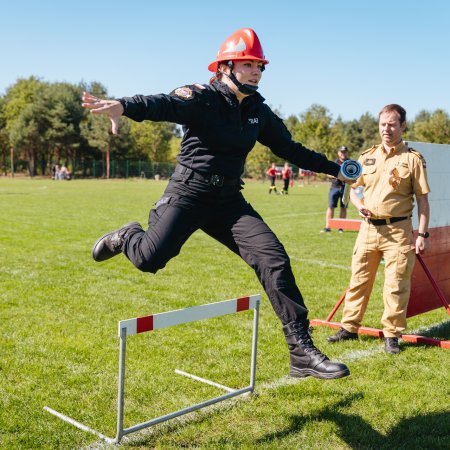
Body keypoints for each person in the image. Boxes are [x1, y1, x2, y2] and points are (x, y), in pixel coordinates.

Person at [82, 28, 355, 379]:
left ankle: (301, 351)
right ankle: (127, 236)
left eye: (260, 66)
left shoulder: (257, 110)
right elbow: (163, 104)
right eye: (250, 64)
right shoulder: (202, 97)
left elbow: (291, 149)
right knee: (149, 259)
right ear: (226, 66)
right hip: (188, 194)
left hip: (228, 200)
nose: (257, 71)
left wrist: (337, 171)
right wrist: (124, 105)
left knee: (273, 259)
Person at [327, 104, 430, 354]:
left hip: (398, 232)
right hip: (368, 230)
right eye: (383, 124)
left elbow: (423, 201)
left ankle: (392, 335)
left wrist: (422, 234)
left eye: (392, 124)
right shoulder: (367, 156)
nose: (387, 129)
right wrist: (360, 204)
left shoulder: (412, 159)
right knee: (358, 280)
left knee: (395, 284)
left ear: (403, 126)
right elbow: (355, 189)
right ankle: (349, 328)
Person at [320, 146, 349, 233]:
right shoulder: (335, 162)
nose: (343, 153)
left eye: (344, 152)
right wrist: (335, 175)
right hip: (335, 187)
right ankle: (328, 227)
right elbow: (327, 174)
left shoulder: (349, 163)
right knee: (331, 207)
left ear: (347, 153)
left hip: (346, 188)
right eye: (341, 152)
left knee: (343, 208)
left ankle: (341, 227)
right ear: (338, 153)